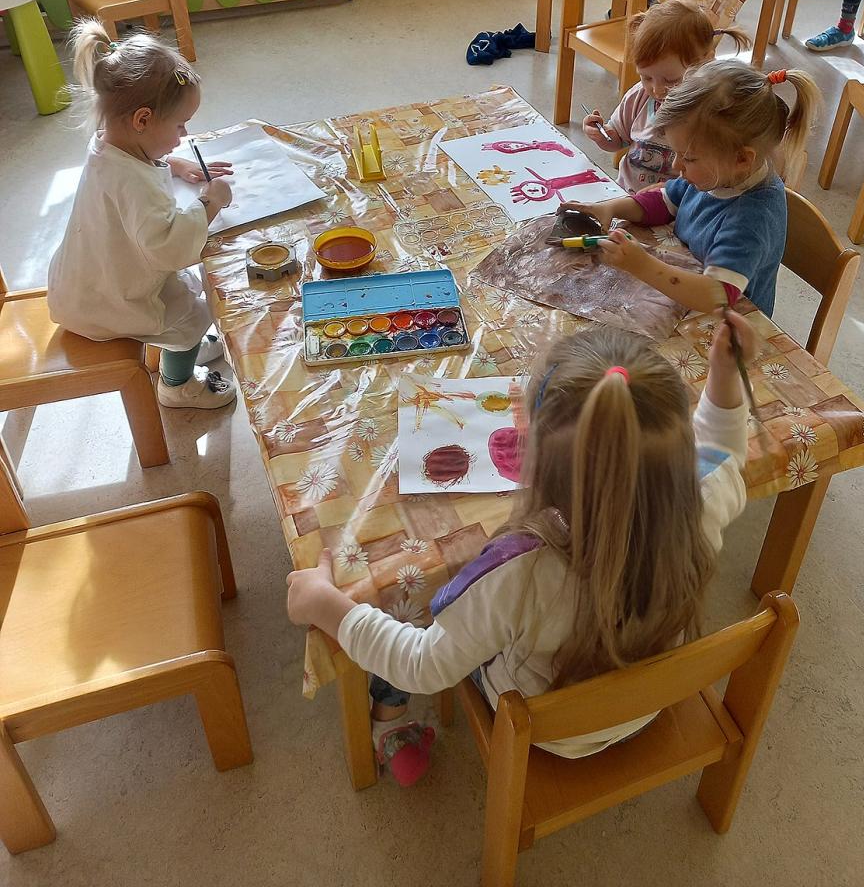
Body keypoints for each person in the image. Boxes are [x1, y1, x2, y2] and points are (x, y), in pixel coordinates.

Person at [286, 315, 756, 775]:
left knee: (417, 596)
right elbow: (725, 449)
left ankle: (389, 716)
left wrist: (323, 603)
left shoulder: (519, 572)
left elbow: (422, 664)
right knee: (466, 606)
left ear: (539, 463)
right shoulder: (708, 496)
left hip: (547, 729)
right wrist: (723, 375)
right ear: (680, 458)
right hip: (644, 707)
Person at [48, 19, 237, 409]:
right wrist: (211, 202)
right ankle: (177, 384)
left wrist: (176, 163)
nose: (183, 135)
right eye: (180, 125)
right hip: (107, 304)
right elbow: (170, 249)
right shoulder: (133, 183)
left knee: (183, 295)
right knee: (192, 313)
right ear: (143, 120)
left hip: (84, 283)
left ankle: (181, 351)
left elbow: (139, 168)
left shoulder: (108, 145)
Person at [564, 60, 821, 317]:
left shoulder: (753, 218)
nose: (676, 166)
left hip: (730, 324)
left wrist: (641, 265)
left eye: (688, 158)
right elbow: (664, 201)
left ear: (742, 159)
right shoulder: (718, 174)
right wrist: (610, 208)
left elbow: (717, 296)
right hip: (688, 283)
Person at [583, 0, 751, 192]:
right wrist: (602, 135)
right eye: (646, 77)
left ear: (706, 62)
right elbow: (618, 139)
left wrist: (671, 192)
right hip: (626, 196)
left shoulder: (710, 111)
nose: (657, 89)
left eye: (671, 80)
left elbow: (717, 177)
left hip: (676, 205)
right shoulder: (639, 97)